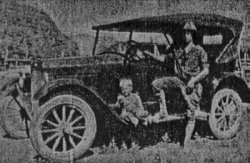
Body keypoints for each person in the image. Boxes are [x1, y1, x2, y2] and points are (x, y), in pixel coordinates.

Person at [144, 21, 209, 151]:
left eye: (189, 33)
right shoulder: (177, 49)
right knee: (156, 84)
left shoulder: (199, 50)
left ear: (193, 35)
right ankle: (163, 111)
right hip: (178, 81)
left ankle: (186, 143)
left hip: (192, 85)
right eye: (184, 32)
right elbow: (164, 59)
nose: (186, 35)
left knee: (190, 114)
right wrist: (149, 54)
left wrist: (194, 80)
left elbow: (206, 70)